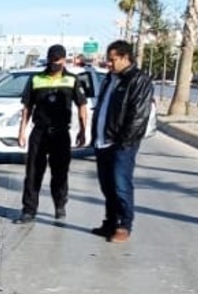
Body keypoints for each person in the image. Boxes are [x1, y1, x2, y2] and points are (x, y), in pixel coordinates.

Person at [89, 39, 154, 242]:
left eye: (112, 59)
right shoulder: (110, 78)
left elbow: (138, 116)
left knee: (120, 184)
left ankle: (124, 225)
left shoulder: (138, 80)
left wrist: (124, 142)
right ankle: (110, 222)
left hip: (122, 144)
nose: (109, 63)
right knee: (107, 185)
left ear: (125, 57)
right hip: (103, 141)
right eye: (107, 60)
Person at [16, 44, 88, 223]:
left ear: (64, 60)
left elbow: (82, 106)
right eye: (52, 60)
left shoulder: (72, 80)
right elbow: (27, 108)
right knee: (33, 173)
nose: (55, 64)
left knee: (60, 173)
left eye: (58, 61)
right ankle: (29, 210)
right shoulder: (36, 79)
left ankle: (60, 205)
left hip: (61, 133)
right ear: (48, 59)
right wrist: (22, 132)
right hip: (39, 133)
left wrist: (83, 131)